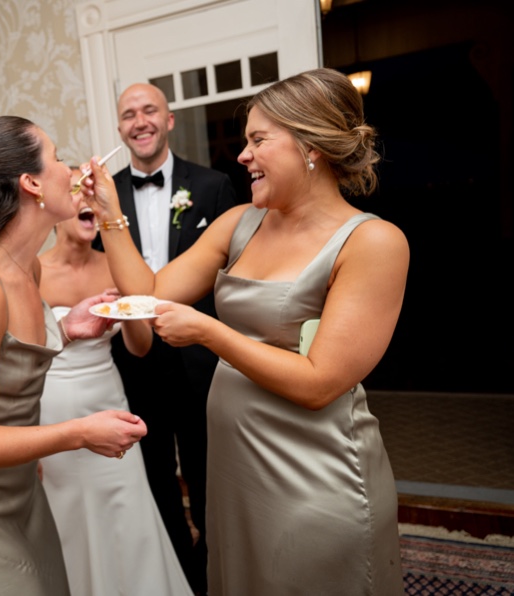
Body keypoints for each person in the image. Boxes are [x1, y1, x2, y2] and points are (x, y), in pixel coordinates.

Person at [81, 68, 406, 594]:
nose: (242, 155)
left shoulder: (373, 243)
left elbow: (320, 381)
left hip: (314, 468)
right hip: (236, 466)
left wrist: (210, 333)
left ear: (310, 146)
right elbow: (150, 293)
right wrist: (112, 217)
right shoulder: (239, 223)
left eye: (258, 140)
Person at [0, 116, 147, 594]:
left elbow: (6, 359)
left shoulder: (27, 265)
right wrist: (78, 433)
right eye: (58, 157)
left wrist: (67, 328)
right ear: (31, 183)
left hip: (21, 494)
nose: (70, 169)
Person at [103, 83, 242, 589]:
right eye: (127, 115)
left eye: (148, 111)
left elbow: (232, 280)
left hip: (201, 358)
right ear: (119, 128)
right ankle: (179, 577)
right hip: (134, 360)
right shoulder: (106, 197)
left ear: (169, 120)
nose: (138, 121)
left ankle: (215, 570)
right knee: (154, 476)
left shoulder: (212, 186)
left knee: (209, 474)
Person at [37, 201, 191, 596]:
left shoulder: (113, 265)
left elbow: (140, 348)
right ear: (56, 210)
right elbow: (23, 353)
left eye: (94, 196)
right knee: (70, 518)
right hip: (53, 407)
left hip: (108, 397)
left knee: (126, 511)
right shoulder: (33, 271)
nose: (89, 203)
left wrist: (126, 312)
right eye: (78, 195)